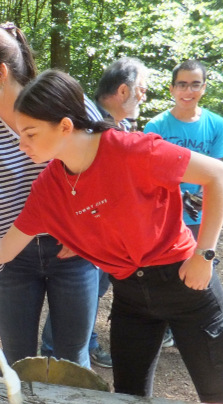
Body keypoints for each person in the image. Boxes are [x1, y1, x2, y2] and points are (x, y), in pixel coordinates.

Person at [0, 70, 223, 404]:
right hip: (130, 294)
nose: (21, 143)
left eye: (29, 133)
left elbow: (218, 175)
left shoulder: (133, 150)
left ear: (66, 126)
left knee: (221, 401)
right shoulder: (48, 187)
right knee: (128, 402)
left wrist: (204, 255)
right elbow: (4, 247)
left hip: (186, 281)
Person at [0, 21, 102, 368]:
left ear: (0, 72)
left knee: (72, 359)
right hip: (10, 257)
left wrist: (88, 225)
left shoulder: (66, 104)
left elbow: (104, 167)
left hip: (72, 254)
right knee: (19, 362)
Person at [40, 57, 149, 368]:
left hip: (110, 234)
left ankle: (87, 342)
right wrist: (71, 230)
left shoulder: (124, 127)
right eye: (142, 89)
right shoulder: (84, 121)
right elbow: (60, 175)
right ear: (124, 91)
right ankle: (51, 351)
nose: (145, 96)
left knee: (95, 291)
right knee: (80, 291)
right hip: (84, 234)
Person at [144, 59, 223, 348]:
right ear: (172, 88)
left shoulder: (215, 124)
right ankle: (166, 327)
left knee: (201, 267)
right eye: (182, 84)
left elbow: (219, 173)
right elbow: (147, 174)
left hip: (201, 216)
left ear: (204, 88)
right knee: (166, 270)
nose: (188, 90)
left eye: (195, 84)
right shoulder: (156, 125)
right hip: (166, 215)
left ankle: (196, 328)